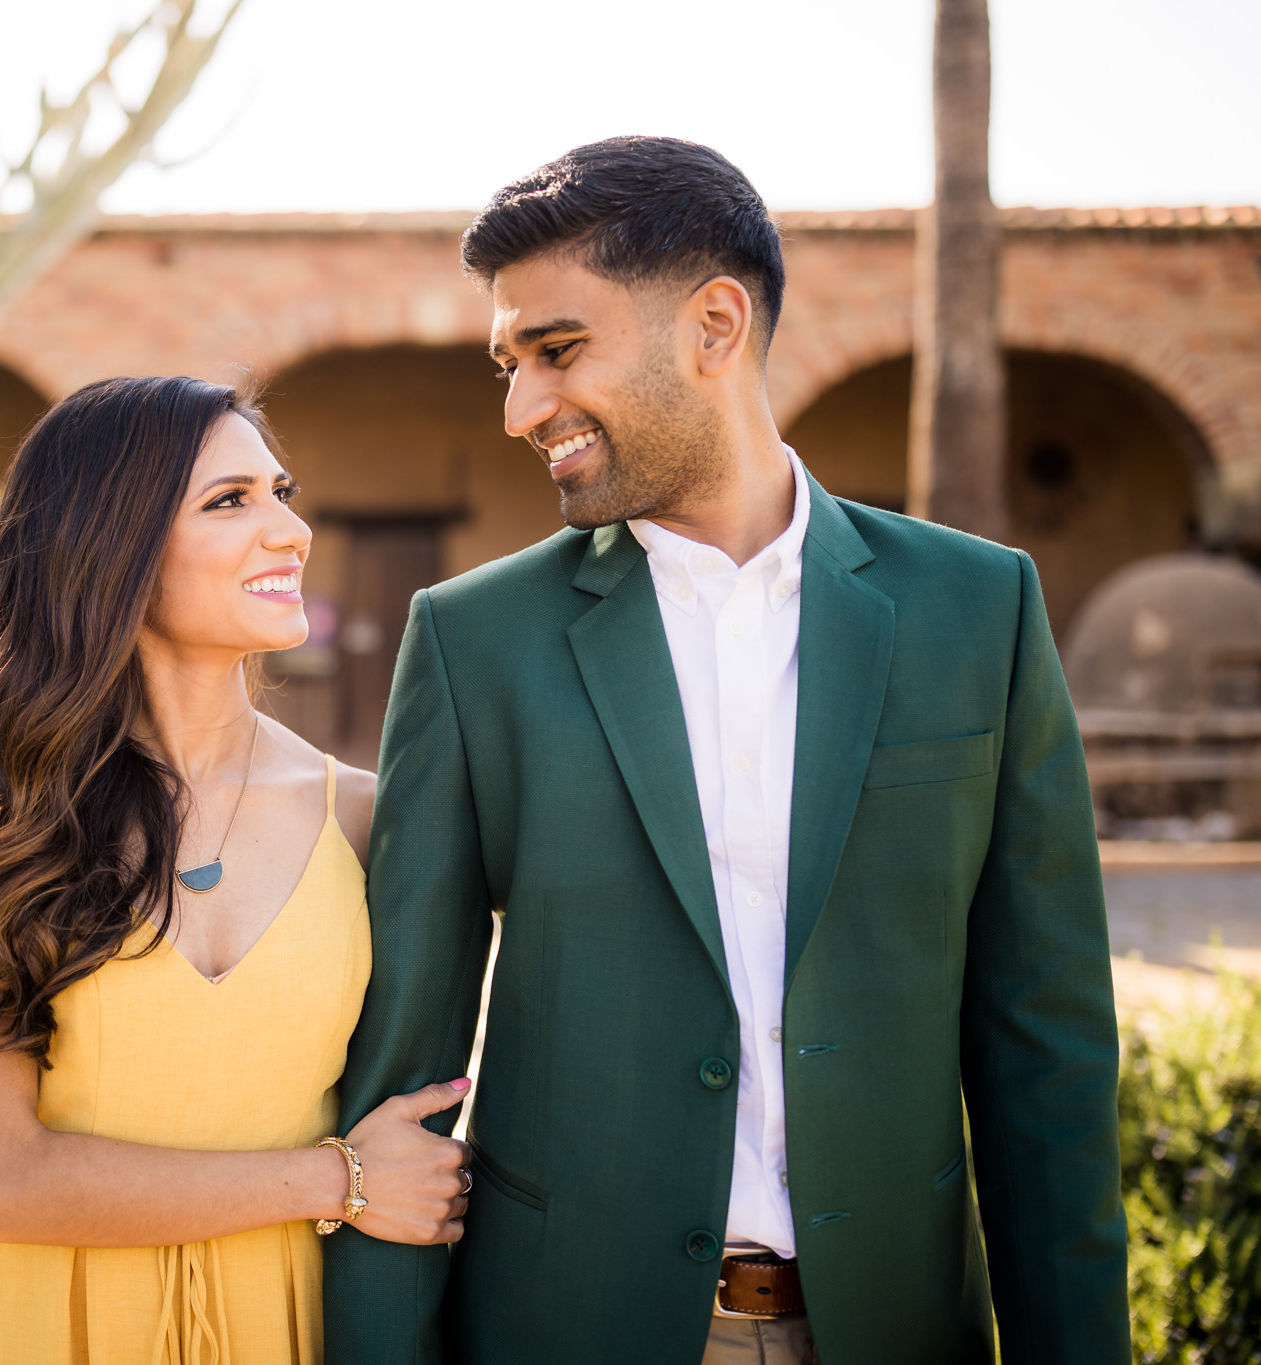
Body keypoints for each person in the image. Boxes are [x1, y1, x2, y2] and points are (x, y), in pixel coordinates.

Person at [324, 138, 1129, 1364]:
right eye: (507, 363)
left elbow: (1045, 1057)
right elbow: (406, 1082)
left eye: (554, 350)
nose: (518, 407)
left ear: (711, 325)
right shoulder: (471, 642)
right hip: (565, 1329)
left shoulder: (980, 612)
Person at [0, 375, 475, 1365]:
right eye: (229, 501)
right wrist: (334, 1181)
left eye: (280, 492)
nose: (289, 532)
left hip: (287, 1327)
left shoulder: (364, 814)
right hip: (54, 1331)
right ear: (110, 545)